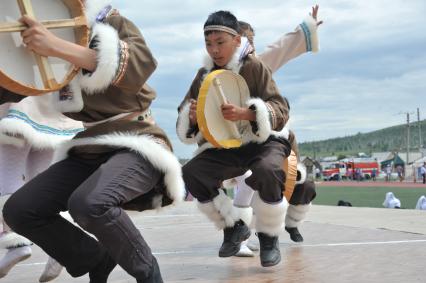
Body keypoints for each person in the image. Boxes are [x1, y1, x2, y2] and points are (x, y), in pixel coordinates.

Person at [2, 1, 184, 282]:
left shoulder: (110, 21)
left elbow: (141, 64)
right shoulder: (39, 32)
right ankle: (95, 256)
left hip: (136, 140)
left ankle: (148, 273)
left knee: (89, 203)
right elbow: (14, 84)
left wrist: (54, 46)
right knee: (21, 209)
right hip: (88, 145)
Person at [177, 10, 290, 267]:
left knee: (266, 169)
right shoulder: (203, 75)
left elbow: (281, 109)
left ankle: (269, 237)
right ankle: (233, 227)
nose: (214, 50)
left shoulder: (254, 67)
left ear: (237, 40)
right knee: (193, 172)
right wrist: (192, 117)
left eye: (220, 43)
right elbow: (184, 112)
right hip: (228, 145)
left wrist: (247, 113)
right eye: (208, 43)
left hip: (264, 141)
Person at [231, 5, 322, 256]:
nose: (251, 44)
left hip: (259, 138)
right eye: (246, 39)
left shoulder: (257, 63)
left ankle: (254, 237)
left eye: (252, 40)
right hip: (233, 139)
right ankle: (240, 238)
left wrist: (306, 29)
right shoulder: (219, 69)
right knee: (246, 186)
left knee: (255, 185)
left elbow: (281, 48)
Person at [0, 93, 83, 281]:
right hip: (56, 103)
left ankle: (16, 244)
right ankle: (61, 246)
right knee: (42, 185)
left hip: (19, 100)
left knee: (7, 176)